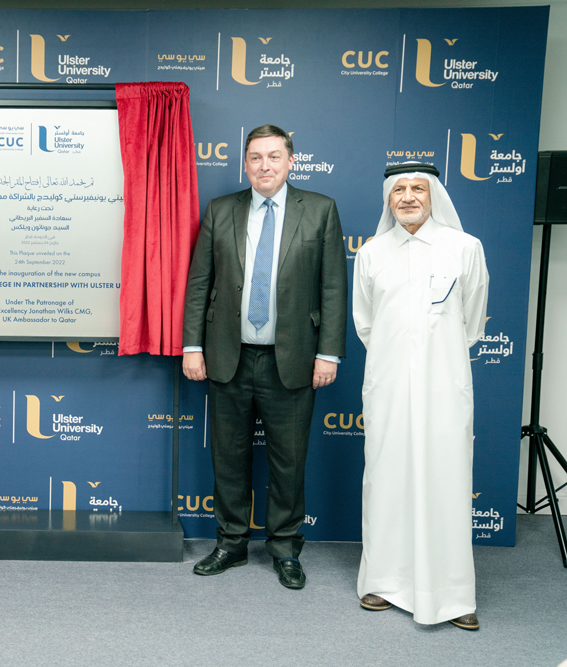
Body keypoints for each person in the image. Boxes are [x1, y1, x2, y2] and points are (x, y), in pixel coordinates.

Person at [182, 124, 347, 589]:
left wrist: (328, 353)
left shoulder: (319, 210)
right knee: (227, 457)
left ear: (291, 161)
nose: (264, 166)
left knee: (289, 462)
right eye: (255, 157)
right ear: (246, 163)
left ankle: (284, 548)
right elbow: (200, 284)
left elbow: (334, 287)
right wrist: (192, 346)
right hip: (227, 356)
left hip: (291, 358)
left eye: (274, 157)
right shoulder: (221, 209)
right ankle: (231, 544)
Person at [353, 163, 488, 631]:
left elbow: (473, 323)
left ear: (434, 197)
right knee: (386, 478)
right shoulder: (371, 255)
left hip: (443, 387)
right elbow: (367, 324)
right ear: (389, 198)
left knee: (446, 481)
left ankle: (452, 595)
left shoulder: (465, 249)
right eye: (399, 190)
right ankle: (384, 581)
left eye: (418, 189)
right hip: (388, 387)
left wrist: (430, 358)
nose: (408, 197)